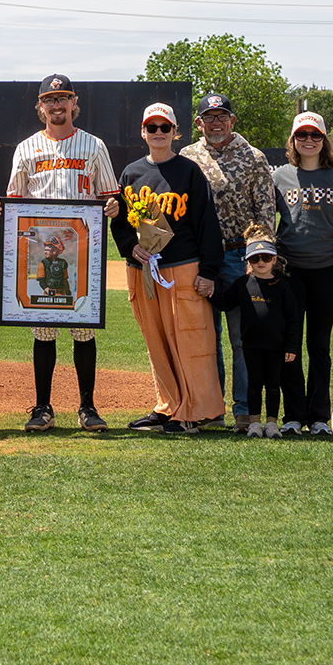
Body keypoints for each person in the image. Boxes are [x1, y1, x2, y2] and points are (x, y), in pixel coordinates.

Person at [0, 74, 120, 432]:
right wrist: (4, 208)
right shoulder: (26, 148)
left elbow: (109, 194)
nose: (57, 104)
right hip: (39, 251)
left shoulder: (93, 146)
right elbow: (15, 199)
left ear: (74, 102)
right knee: (44, 330)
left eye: (63, 97)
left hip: (81, 249)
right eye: (50, 99)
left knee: (83, 328)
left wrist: (112, 205)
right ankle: (42, 408)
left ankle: (87, 407)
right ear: (41, 107)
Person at [110, 103, 223, 435]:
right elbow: (119, 221)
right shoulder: (130, 173)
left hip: (183, 267)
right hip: (143, 269)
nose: (158, 133)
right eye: (151, 127)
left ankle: (194, 412)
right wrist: (131, 246)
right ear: (143, 132)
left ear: (176, 132)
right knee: (156, 342)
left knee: (191, 342)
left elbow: (206, 223)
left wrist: (210, 271)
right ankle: (168, 407)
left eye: (165, 127)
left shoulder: (189, 171)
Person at [179, 92, 277, 429]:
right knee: (204, 338)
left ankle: (242, 412)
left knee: (240, 338)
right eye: (210, 116)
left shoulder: (254, 157)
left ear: (232, 121)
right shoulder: (187, 156)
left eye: (222, 116)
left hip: (239, 255)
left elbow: (266, 211)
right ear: (199, 123)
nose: (216, 122)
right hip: (200, 258)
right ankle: (209, 409)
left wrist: (258, 256)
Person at [271, 111, 333, 436]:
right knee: (289, 344)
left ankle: (319, 416)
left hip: (326, 269)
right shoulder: (280, 176)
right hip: (289, 271)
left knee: (319, 345)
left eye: (315, 135)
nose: (309, 141)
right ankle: (293, 415)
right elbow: (268, 223)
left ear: (325, 140)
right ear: (293, 140)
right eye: (302, 135)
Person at [209, 226, 303, 437]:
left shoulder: (282, 286)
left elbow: (293, 320)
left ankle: (271, 423)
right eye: (255, 259)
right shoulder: (242, 284)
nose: (261, 262)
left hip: (276, 347)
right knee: (253, 385)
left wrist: (291, 346)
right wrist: (210, 292)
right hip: (251, 344)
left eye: (266, 257)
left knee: (273, 385)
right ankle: (254, 423)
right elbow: (225, 303)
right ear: (248, 261)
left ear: (275, 259)